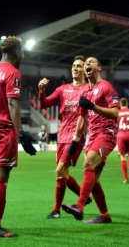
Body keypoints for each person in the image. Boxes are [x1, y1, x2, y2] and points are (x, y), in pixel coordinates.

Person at [0, 35, 37, 238]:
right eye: (23, 53)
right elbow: (12, 105)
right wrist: (21, 134)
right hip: (3, 129)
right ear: (16, 52)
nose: (24, 56)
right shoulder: (13, 73)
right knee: (1, 178)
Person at [61, 56, 119, 224]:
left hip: (106, 133)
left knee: (87, 165)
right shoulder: (85, 92)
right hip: (92, 136)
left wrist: (93, 106)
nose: (87, 65)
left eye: (90, 62)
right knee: (93, 181)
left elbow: (115, 113)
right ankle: (105, 215)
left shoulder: (106, 87)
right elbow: (82, 118)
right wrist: (75, 140)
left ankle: (80, 205)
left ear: (99, 68)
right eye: (85, 63)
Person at [38, 56, 92, 219]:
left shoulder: (89, 89)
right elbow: (45, 104)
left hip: (76, 135)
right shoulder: (62, 89)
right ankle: (84, 197)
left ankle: (56, 210)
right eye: (74, 66)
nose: (75, 68)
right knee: (63, 173)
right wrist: (41, 91)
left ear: (84, 70)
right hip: (62, 135)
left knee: (60, 170)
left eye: (79, 66)